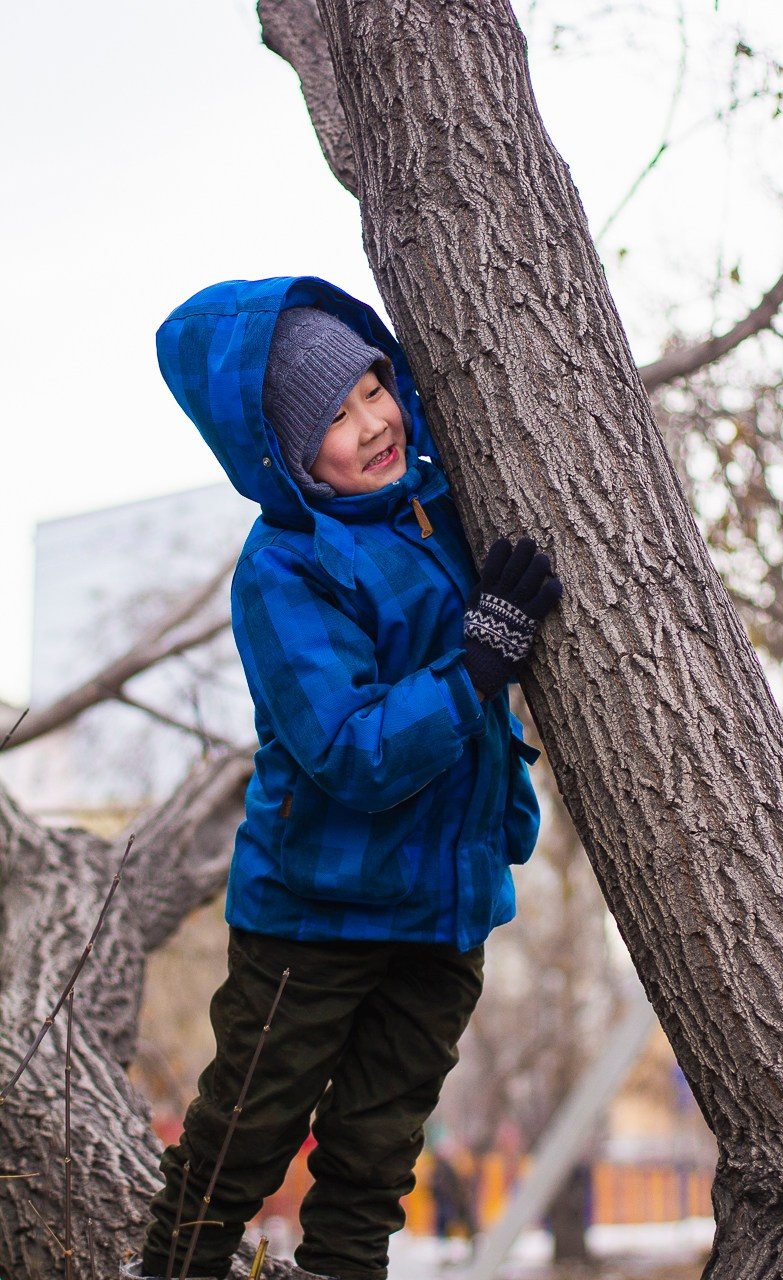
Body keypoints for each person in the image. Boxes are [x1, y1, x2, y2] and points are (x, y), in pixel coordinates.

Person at [121, 275, 562, 1280]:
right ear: (277, 449)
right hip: (314, 917)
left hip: (443, 905)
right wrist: (478, 662)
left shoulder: (437, 503)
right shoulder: (285, 569)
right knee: (245, 1129)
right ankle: (171, 1269)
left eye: (373, 386)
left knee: (375, 1151)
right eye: (332, 414)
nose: (371, 422)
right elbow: (350, 748)